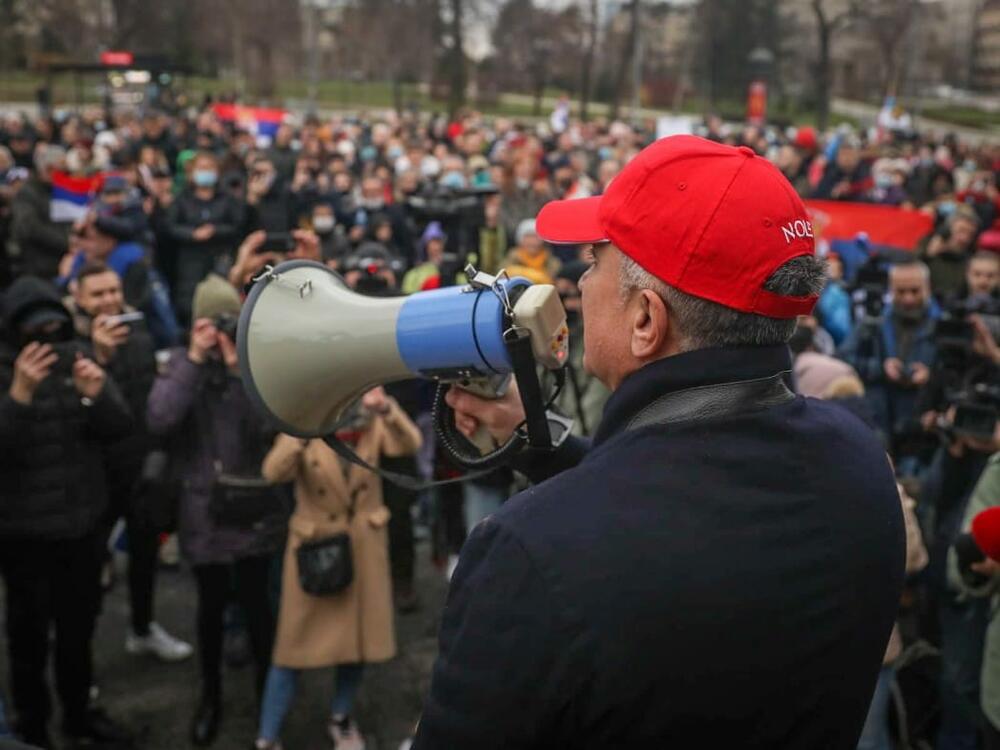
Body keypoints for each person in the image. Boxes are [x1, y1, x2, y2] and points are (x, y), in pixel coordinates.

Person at [415, 135, 905, 748]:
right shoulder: (860, 463)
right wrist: (542, 441)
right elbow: (683, 509)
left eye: (595, 261)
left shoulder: (529, 554)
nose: (582, 284)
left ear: (646, 320)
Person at [146, 275, 286, 746]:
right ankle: (211, 696)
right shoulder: (182, 366)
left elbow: (270, 426)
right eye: (213, 322)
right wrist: (194, 357)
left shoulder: (251, 364)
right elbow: (160, 419)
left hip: (252, 507)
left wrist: (237, 365)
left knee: (260, 611)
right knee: (208, 613)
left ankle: (270, 696)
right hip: (204, 513)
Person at [0, 275, 133, 748]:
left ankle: (79, 716)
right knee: (28, 642)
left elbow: (119, 428)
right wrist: (18, 394)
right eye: (35, 335)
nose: (46, 344)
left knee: (78, 634)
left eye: (54, 332)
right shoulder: (8, 372)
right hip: (24, 537)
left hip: (81, 527)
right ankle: (32, 726)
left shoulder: (76, 358)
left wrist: (95, 392)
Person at [253, 387, 422, 750]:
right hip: (316, 548)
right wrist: (302, 429)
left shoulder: (372, 419)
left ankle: (341, 717)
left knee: (357, 646)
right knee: (290, 649)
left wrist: (387, 407)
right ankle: (267, 735)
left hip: (363, 547)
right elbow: (272, 472)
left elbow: (409, 444)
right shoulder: (305, 423)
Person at [66, 261, 192, 662]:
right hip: (93, 474)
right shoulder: (68, 344)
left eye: (113, 291)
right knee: (83, 574)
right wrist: (99, 358)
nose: (108, 300)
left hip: (138, 465)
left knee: (144, 552)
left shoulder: (137, 333)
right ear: (80, 299)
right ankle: (78, 659)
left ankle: (142, 627)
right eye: (98, 294)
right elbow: (74, 415)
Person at [839, 261, 939, 451]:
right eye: (901, 292)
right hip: (882, 419)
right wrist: (880, 368)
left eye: (915, 291)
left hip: (924, 427)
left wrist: (931, 376)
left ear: (928, 289)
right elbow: (842, 359)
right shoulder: (873, 324)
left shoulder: (942, 327)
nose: (908, 299)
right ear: (891, 290)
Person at [165, 151, 245, 326]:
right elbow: (171, 226)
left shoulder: (227, 199)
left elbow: (237, 224)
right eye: (201, 168)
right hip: (190, 260)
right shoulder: (181, 200)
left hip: (220, 256)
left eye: (210, 168)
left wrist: (215, 230)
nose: (205, 172)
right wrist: (192, 234)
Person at [9, 144, 70, 279]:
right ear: (48, 169)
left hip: (64, 259)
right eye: (63, 170)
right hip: (39, 264)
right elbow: (30, 228)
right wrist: (66, 243)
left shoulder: (60, 189)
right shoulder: (27, 193)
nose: (67, 174)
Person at [918, 207, 982, 300]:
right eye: (961, 231)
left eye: (970, 234)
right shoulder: (926, 245)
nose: (964, 239)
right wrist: (928, 254)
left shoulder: (971, 261)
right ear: (948, 230)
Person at [501, 219, 560, 286]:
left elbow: (553, 283)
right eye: (528, 236)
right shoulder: (511, 259)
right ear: (520, 239)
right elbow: (503, 277)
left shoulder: (552, 262)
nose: (532, 241)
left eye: (536, 237)